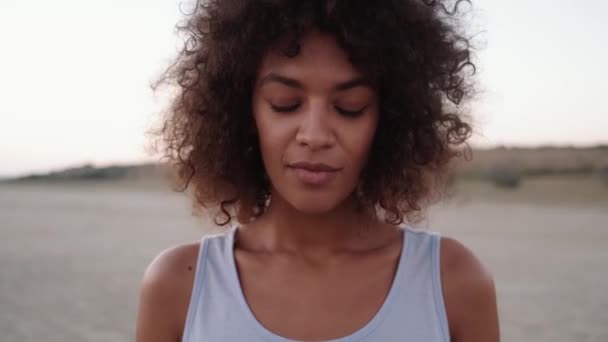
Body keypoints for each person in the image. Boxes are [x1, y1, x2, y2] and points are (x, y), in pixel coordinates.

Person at [136, 0, 499, 341]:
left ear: (389, 119)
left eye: (349, 107)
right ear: (243, 112)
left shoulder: (454, 284)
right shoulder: (177, 287)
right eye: (285, 104)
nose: (315, 135)